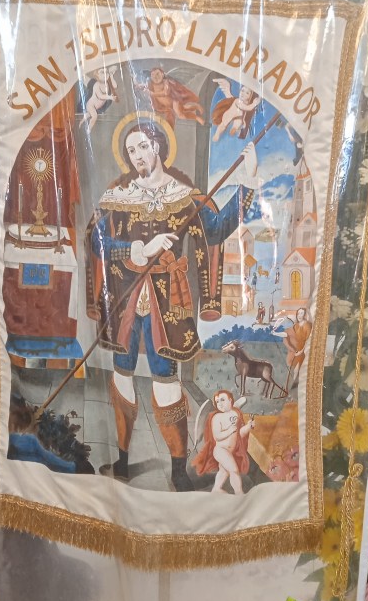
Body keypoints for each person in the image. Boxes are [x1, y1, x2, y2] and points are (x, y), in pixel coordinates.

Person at [85, 119, 257, 491]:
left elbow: (217, 228)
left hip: (168, 305)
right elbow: (96, 241)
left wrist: (248, 180)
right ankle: (123, 462)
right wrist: (137, 249)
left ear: (158, 147)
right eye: (131, 150)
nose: (137, 155)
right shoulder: (120, 195)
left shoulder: (184, 197)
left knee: (166, 381)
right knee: (122, 375)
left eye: (142, 147)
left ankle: (178, 469)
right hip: (126, 299)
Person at [193, 391, 254, 494]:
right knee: (234, 470)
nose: (220, 404)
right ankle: (239, 493)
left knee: (224, 471)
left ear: (230, 400)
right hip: (220, 450)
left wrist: (248, 427)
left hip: (230, 451)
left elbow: (239, 434)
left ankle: (216, 489)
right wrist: (230, 430)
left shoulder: (236, 413)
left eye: (222, 400)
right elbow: (217, 436)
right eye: (217, 402)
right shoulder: (217, 417)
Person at [133, 66, 204, 127]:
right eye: (153, 75)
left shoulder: (165, 82)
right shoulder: (151, 84)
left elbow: (165, 92)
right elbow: (144, 86)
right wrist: (138, 86)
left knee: (180, 114)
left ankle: (196, 117)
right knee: (181, 109)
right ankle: (196, 106)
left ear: (162, 74)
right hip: (165, 106)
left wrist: (152, 94)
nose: (155, 77)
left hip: (174, 101)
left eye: (157, 74)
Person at [273, 306, 312, 392]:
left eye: (301, 313)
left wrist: (301, 351)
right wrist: (276, 333)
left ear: (305, 314)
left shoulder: (307, 325)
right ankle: (291, 390)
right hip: (296, 350)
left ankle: (295, 390)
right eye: (298, 313)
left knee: (298, 371)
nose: (299, 315)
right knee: (294, 370)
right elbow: (287, 334)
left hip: (304, 351)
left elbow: (309, 340)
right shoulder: (296, 326)